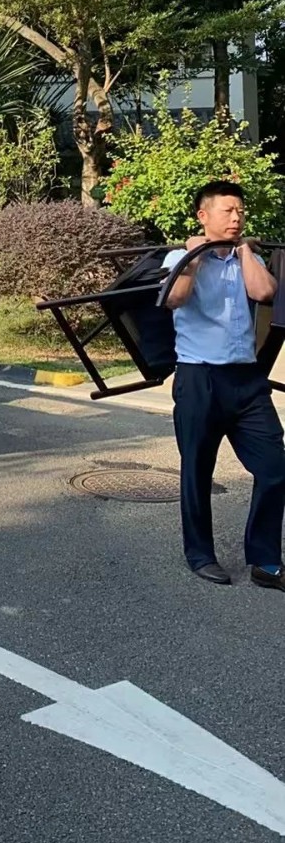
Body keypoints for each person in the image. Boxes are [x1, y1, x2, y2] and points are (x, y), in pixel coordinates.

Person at [162, 179, 285, 590]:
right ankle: (200, 555)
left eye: (240, 212)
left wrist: (245, 250)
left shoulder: (245, 257)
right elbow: (175, 298)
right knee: (197, 471)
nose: (236, 218)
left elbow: (265, 292)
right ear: (204, 215)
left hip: (247, 381)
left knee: (275, 469)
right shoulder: (179, 257)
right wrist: (194, 256)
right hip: (199, 377)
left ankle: (265, 561)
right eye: (227, 211)